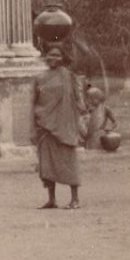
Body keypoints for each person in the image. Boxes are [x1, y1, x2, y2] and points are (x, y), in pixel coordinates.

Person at [31, 46, 87, 208]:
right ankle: (52, 199)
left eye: (57, 55)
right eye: (50, 54)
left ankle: (75, 199)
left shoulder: (69, 76)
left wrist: (80, 117)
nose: (53, 58)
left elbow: (79, 101)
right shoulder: (39, 78)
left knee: (69, 162)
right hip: (44, 125)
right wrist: (34, 125)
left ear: (63, 58)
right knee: (47, 164)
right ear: (45, 56)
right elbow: (34, 102)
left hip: (65, 126)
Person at [84, 84, 116, 151]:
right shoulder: (90, 109)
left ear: (99, 98)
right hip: (91, 134)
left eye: (92, 99)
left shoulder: (105, 109)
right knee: (90, 148)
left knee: (98, 148)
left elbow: (114, 122)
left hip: (100, 134)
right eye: (89, 98)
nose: (90, 101)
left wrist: (110, 128)